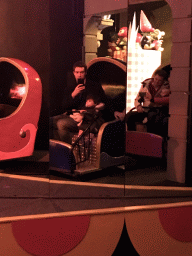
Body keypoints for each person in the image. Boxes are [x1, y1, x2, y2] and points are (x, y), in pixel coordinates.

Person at [50, 61, 109, 144]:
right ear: (74, 73)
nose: (79, 75)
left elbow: (104, 102)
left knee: (61, 124)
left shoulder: (94, 86)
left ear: (85, 73)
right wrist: (73, 94)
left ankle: (70, 148)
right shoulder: (70, 87)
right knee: (50, 121)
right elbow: (64, 106)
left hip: (86, 117)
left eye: (81, 72)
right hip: (73, 114)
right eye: (77, 72)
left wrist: (91, 109)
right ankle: (61, 146)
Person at [126, 69, 170, 135]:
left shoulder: (166, 87)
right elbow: (139, 98)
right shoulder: (146, 85)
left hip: (158, 110)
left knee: (152, 116)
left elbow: (165, 101)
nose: (157, 82)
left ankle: (152, 137)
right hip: (145, 109)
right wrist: (138, 106)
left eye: (159, 81)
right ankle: (131, 135)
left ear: (163, 81)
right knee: (129, 116)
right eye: (156, 79)